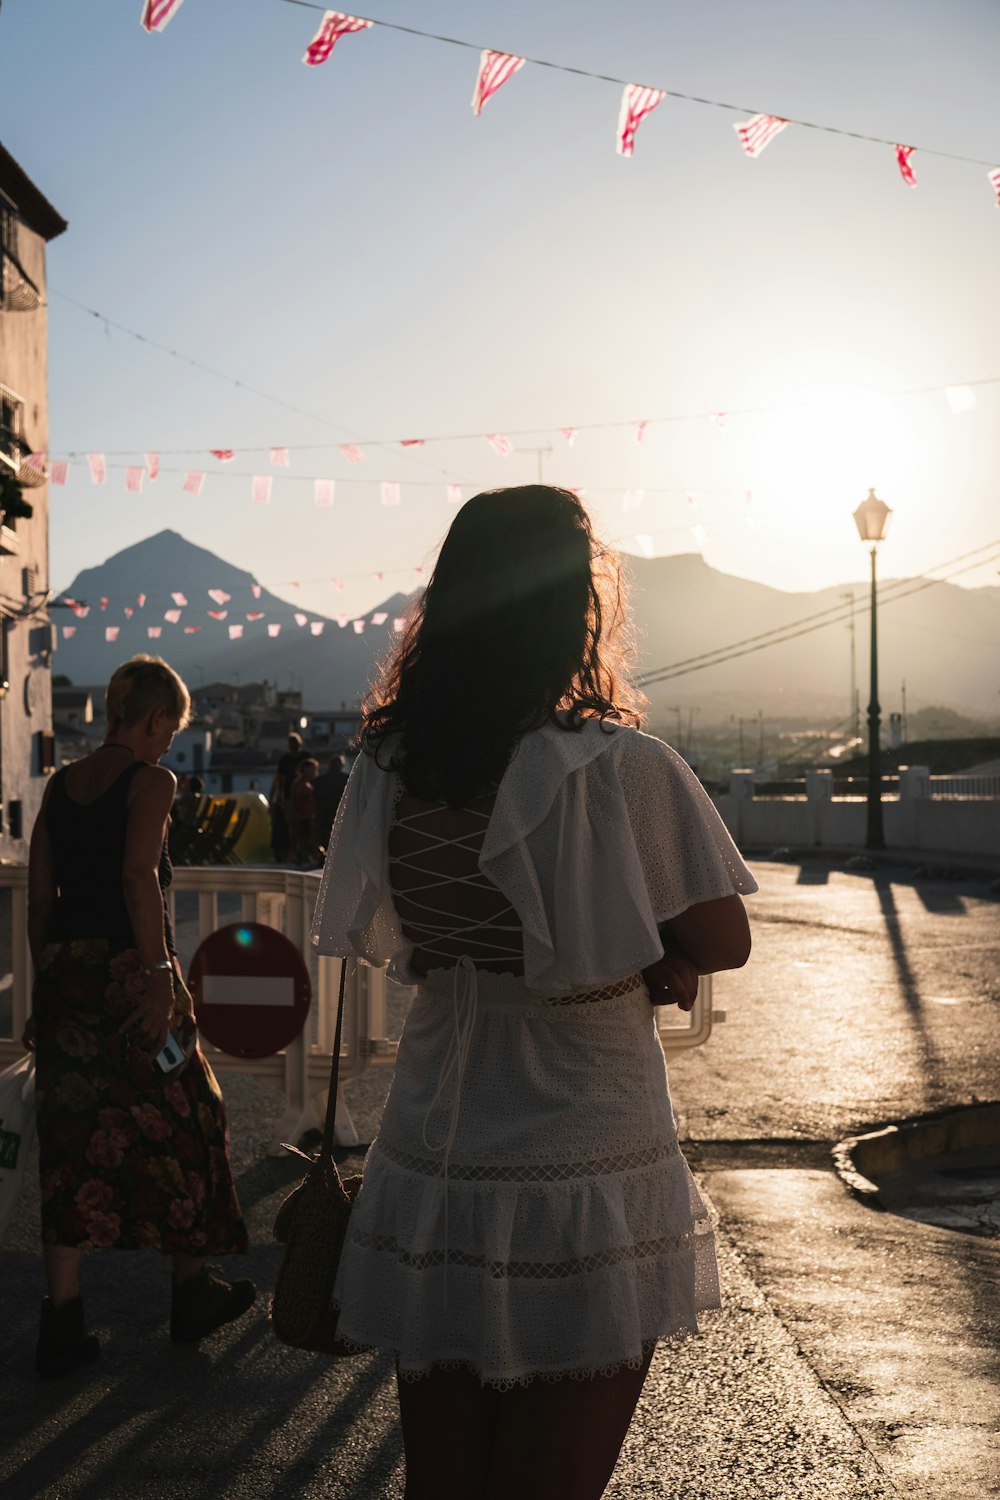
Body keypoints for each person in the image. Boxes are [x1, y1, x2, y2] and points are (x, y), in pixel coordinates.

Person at [311, 486, 756, 1500]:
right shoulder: (619, 767)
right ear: (577, 605)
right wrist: (640, 948)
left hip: (437, 1148)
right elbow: (719, 938)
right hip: (577, 1153)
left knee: (446, 1482)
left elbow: (425, 934)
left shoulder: (390, 767)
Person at [27, 655, 255, 1379]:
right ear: (156, 717)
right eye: (171, 729)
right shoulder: (152, 781)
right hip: (130, 975)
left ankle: (62, 1321)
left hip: (66, 974)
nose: (168, 744)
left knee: (71, 1140)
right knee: (191, 1116)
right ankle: (190, 1291)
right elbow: (136, 876)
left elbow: (39, 897)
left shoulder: (60, 786)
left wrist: (45, 987)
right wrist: (161, 975)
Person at [268, 732, 303, 862]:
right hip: (287, 799)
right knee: (284, 826)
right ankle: (286, 853)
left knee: (297, 827)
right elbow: (278, 780)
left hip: (302, 797)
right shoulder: (285, 760)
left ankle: (297, 852)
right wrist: (277, 798)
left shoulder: (305, 757)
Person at [312, 753, 350, 853]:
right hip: (340, 812)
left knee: (321, 834)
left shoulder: (319, 780)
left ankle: (319, 854)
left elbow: (314, 796)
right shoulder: (348, 779)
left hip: (322, 812)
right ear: (341, 765)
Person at [288, 756, 320, 866]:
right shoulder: (300, 784)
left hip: (305, 816)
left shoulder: (304, 783)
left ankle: (307, 855)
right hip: (303, 817)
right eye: (313, 769)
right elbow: (295, 801)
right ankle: (308, 855)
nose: (315, 772)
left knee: (305, 838)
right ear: (305, 770)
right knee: (304, 837)